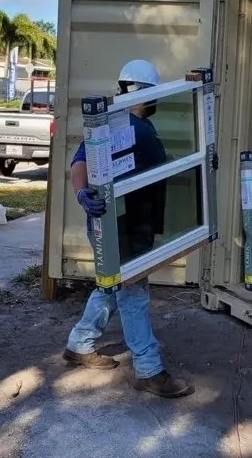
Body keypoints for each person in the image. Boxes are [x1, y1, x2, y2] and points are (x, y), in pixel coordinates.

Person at [63, 59, 194, 398]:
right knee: (133, 293)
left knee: (110, 287)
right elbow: (79, 164)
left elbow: (80, 161)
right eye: (154, 94)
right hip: (120, 226)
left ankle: (80, 342)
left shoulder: (125, 124)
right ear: (142, 92)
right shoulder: (117, 124)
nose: (157, 101)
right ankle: (149, 370)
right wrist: (82, 193)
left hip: (126, 223)